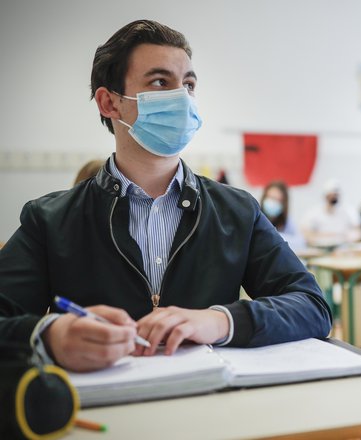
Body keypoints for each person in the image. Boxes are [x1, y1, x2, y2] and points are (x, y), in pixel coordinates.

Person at [0, 20, 331, 373]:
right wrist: (49, 335)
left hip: (216, 404)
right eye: (160, 82)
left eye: (188, 84)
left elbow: (311, 305)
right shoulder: (50, 220)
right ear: (109, 102)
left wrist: (219, 321)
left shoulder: (236, 210)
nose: (182, 97)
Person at [301, 178, 361, 248]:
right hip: (320, 248)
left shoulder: (349, 211)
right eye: (331, 195)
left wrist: (348, 237)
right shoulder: (314, 212)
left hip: (344, 248)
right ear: (325, 196)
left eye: (335, 195)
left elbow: (358, 232)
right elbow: (306, 233)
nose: (333, 197)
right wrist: (327, 237)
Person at [260, 180, 306, 252]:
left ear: (283, 203)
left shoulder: (287, 220)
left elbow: (301, 242)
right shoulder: (257, 218)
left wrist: (275, 236)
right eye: (270, 198)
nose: (272, 203)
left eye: (277, 199)